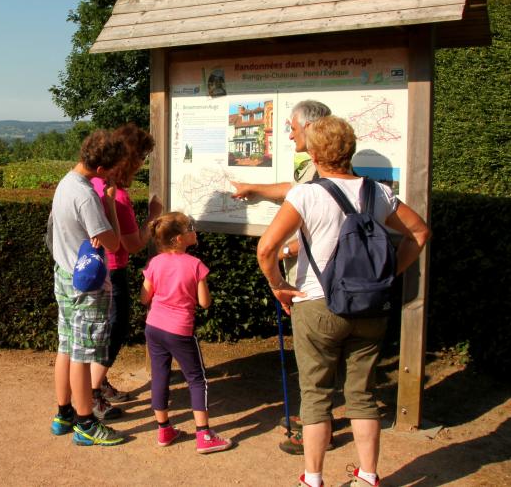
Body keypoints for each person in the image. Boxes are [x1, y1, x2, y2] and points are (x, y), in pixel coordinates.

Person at [256, 116, 430, 487]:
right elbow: (419, 230)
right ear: (348, 150)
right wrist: (390, 274)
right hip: (371, 305)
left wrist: (278, 285)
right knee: (362, 394)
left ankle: (314, 478)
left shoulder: (306, 194)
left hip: (318, 305)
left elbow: (267, 247)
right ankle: (368, 477)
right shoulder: (378, 193)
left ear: (315, 154)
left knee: (316, 395)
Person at [231, 99, 332, 454]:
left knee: (313, 359)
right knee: (316, 358)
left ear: (309, 128)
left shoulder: (322, 175)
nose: (289, 135)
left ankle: (315, 430)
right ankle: (315, 419)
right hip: (322, 284)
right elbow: (294, 190)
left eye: (292, 128)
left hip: (312, 286)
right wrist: (256, 189)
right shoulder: (324, 169)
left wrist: (284, 255)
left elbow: (318, 234)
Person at [48, 128, 127, 446]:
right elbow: (114, 242)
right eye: (112, 170)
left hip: (64, 275)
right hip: (87, 285)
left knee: (66, 347)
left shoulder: (66, 183)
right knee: (82, 354)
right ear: (100, 169)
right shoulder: (86, 195)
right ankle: (85, 423)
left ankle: (63, 414)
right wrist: (108, 206)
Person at [139, 211, 233, 452]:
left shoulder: (155, 262)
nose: (194, 230)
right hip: (180, 330)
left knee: (159, 376)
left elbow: (144, 296)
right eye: (189, 228)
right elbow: (204, 302)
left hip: (154, 326)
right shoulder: (195, 265)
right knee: (196, 378)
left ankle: (164, 429)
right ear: (178, 239)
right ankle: (204, 435)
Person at [89, 124, 163, 417]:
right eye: (142, 156)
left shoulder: (95, 184)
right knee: (114, 332)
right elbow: (132, 244)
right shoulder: (117, 196)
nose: (143, 163)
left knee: (99, 333)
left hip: (95, 270)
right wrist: (154, 218)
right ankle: (93, 395)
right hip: (113, 271)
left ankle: (98, 384)